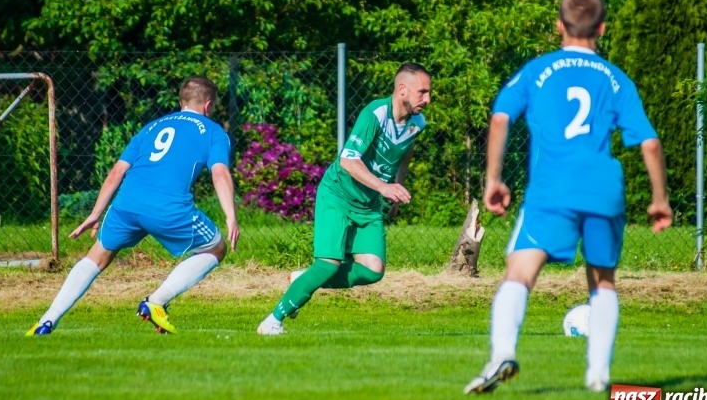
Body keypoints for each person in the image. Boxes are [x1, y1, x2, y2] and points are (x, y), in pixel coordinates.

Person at [464, 0, 672, 394]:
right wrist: (659, 198)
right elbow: (649, 143)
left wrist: (493, 178)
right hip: (602, 188)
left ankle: (501, 353)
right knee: (602, 281)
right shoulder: (616, 79)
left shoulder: (538, 69)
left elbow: (500, 117)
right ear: (602, 29)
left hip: (552, 187)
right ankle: (598, 375)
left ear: (559, 26)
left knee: (519, 273)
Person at [26, 76, 239, 336]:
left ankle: (46, 320)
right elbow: (219, 173)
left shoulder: (152, 127)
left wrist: (95, 213)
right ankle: (156, 302)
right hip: (167, 207)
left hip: (126, 203)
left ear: (180, 101)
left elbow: (117, 171)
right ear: (208, 106)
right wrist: (230, 216)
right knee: (215, 248)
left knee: (97, 256)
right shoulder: (214, 131)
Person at [257, 62, 432, 335]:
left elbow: (405, 154)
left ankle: (305, 279)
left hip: (368, 204)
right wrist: (383, 188)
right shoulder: (374, 115)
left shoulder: (417, 123)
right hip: (337, 195)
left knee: (373, 269)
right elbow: (349, 161)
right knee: (328, 264)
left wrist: (397, 187)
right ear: (402, 90)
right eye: (422, 92)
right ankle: (272, 320)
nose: (427, 99)